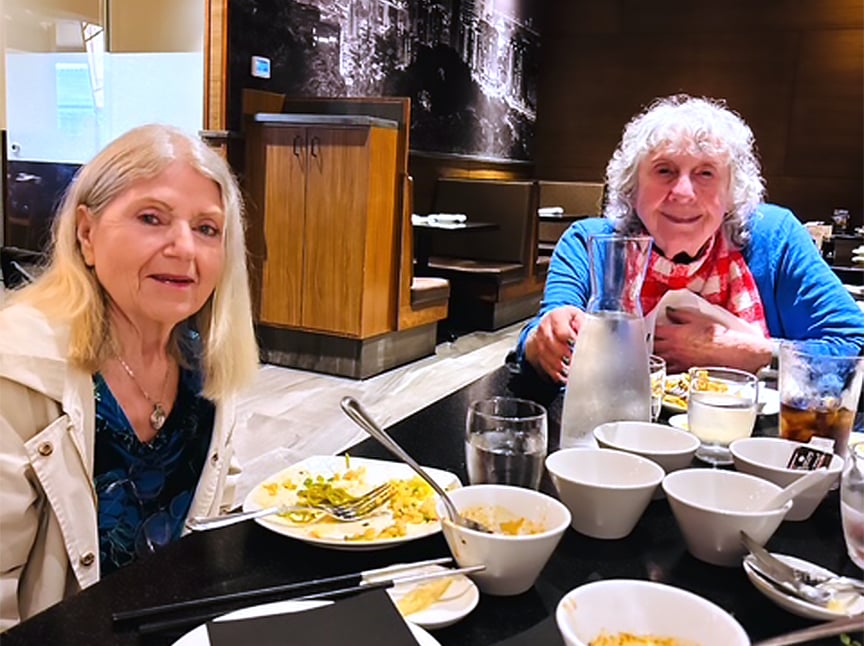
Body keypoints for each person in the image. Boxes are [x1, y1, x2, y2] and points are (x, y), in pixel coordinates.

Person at [0, 124, 259, 630]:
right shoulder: (18, 371)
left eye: (207, 228)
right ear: (87, 234)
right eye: (151, 218)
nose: (184, 247)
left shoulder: (201, 361)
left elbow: (211, 525)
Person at [517, 94, 864, 383]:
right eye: (664, 170)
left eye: (705, 173)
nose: (683, 193)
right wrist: (542, 340)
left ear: (732, 191)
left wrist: (748, 354)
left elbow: (854, 345)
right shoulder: (590, 243)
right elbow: (539, 339)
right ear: (631, 186)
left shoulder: (776, 238)